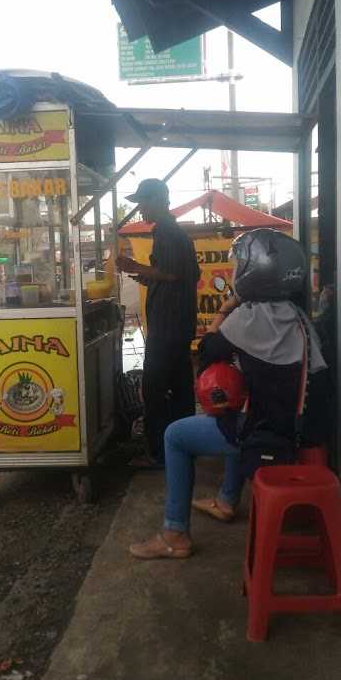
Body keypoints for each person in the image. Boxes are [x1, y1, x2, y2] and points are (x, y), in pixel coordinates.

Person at [129, 228, 332, 559]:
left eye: (240, 264)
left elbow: (207, 352)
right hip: (302, 428)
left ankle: (174, 533)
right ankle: (225, 500)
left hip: (273, 435)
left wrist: (228, 305)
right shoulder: (296, 316)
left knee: (176, 435)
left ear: (256, 272)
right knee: (237, 409)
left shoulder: (252, 319)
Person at [116, 179, 200, 468]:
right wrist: (145, 276)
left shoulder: (167, 231)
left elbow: (173, 274)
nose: (140, 208)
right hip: (177, 325)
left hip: (168, 326)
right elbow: (185, 275)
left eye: (143, 202)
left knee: (154, 389)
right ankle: (185, 445)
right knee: (179, 388)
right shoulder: (175, 233)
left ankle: (156, 454)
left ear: (158, 200)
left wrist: (134, 266)